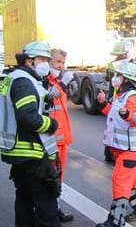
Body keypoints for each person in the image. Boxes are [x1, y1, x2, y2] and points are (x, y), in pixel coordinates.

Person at [0, 40, 61, 227]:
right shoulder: (24, 81)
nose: (46, 63)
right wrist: (51, 123)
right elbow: (28, 118)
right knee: (47, 209)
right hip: (31, 155)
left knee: (25, 203)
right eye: (42, 59)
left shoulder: (18, 78)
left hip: (20, 154)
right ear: (29, 61)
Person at [95, 60, 136, 227]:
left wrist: (128, 114)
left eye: (119, 75)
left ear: (126, 79)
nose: (116, 77)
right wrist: (103, 103)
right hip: (124, 148)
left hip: (130, 149)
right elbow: (114, 117)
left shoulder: (133, 97)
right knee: (133, 178)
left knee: (120, 181)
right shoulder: (121, 95)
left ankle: (115, 220)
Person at [46, 48, 75, 223]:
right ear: (49, 62)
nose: (61, 66)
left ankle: (55, 208)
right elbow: (48, 97)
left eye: (63, 62)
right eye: (58, 62)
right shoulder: (45, 81)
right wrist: (62, 84)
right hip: (50, 140)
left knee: (58, 177)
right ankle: (47, 211)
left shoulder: (57, 80)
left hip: (61, 139)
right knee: (49, 177)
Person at [103, 41, 133, 164]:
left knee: (112, 128)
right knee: (118, 128)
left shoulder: (111, 64)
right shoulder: (126, 65)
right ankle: (114, 155)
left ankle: (109, 154)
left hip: (115, 99)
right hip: (120, 99)